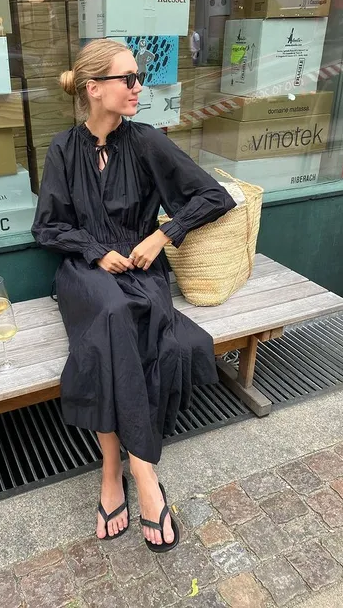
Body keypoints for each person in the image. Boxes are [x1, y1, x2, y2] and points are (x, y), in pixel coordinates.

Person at [31, 39, 236, 553]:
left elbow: (214, 195)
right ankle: (136, 473)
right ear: (94, 88)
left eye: (137, 77)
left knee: (125, 326)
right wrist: (94, 251)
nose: (138, 87)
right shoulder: (63, 148)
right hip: (84, 272)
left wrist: (163, 234)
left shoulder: (146, 141)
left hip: (142, 269)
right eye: (128, 78)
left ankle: (121, 469)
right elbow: (47, 227)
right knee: (113, 312)